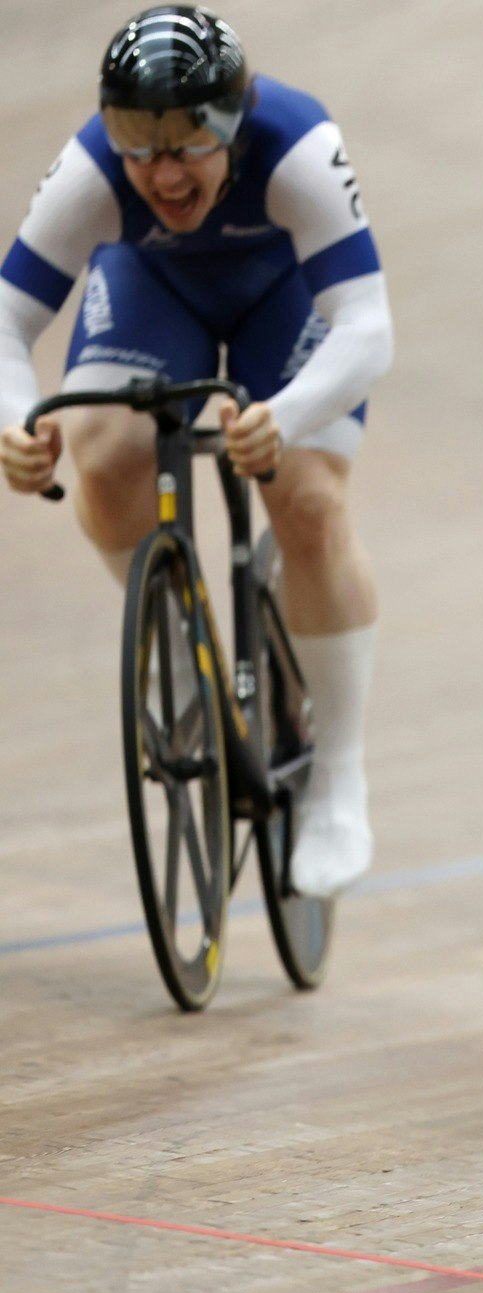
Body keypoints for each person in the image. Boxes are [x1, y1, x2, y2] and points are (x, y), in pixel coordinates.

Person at [0, 5, 387, 896]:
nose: (163, 174)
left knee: (309, 500)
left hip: (280, 297)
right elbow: (11, 322)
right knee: (100, 457)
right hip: (153, 289)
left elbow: (367, 326)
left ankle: (339, 776)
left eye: (187, 146)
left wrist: (285, 416)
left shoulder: (294, 144)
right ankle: (180, 654)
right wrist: (21, 423)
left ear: (237, 120)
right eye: (139, 145)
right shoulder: (91, 171)